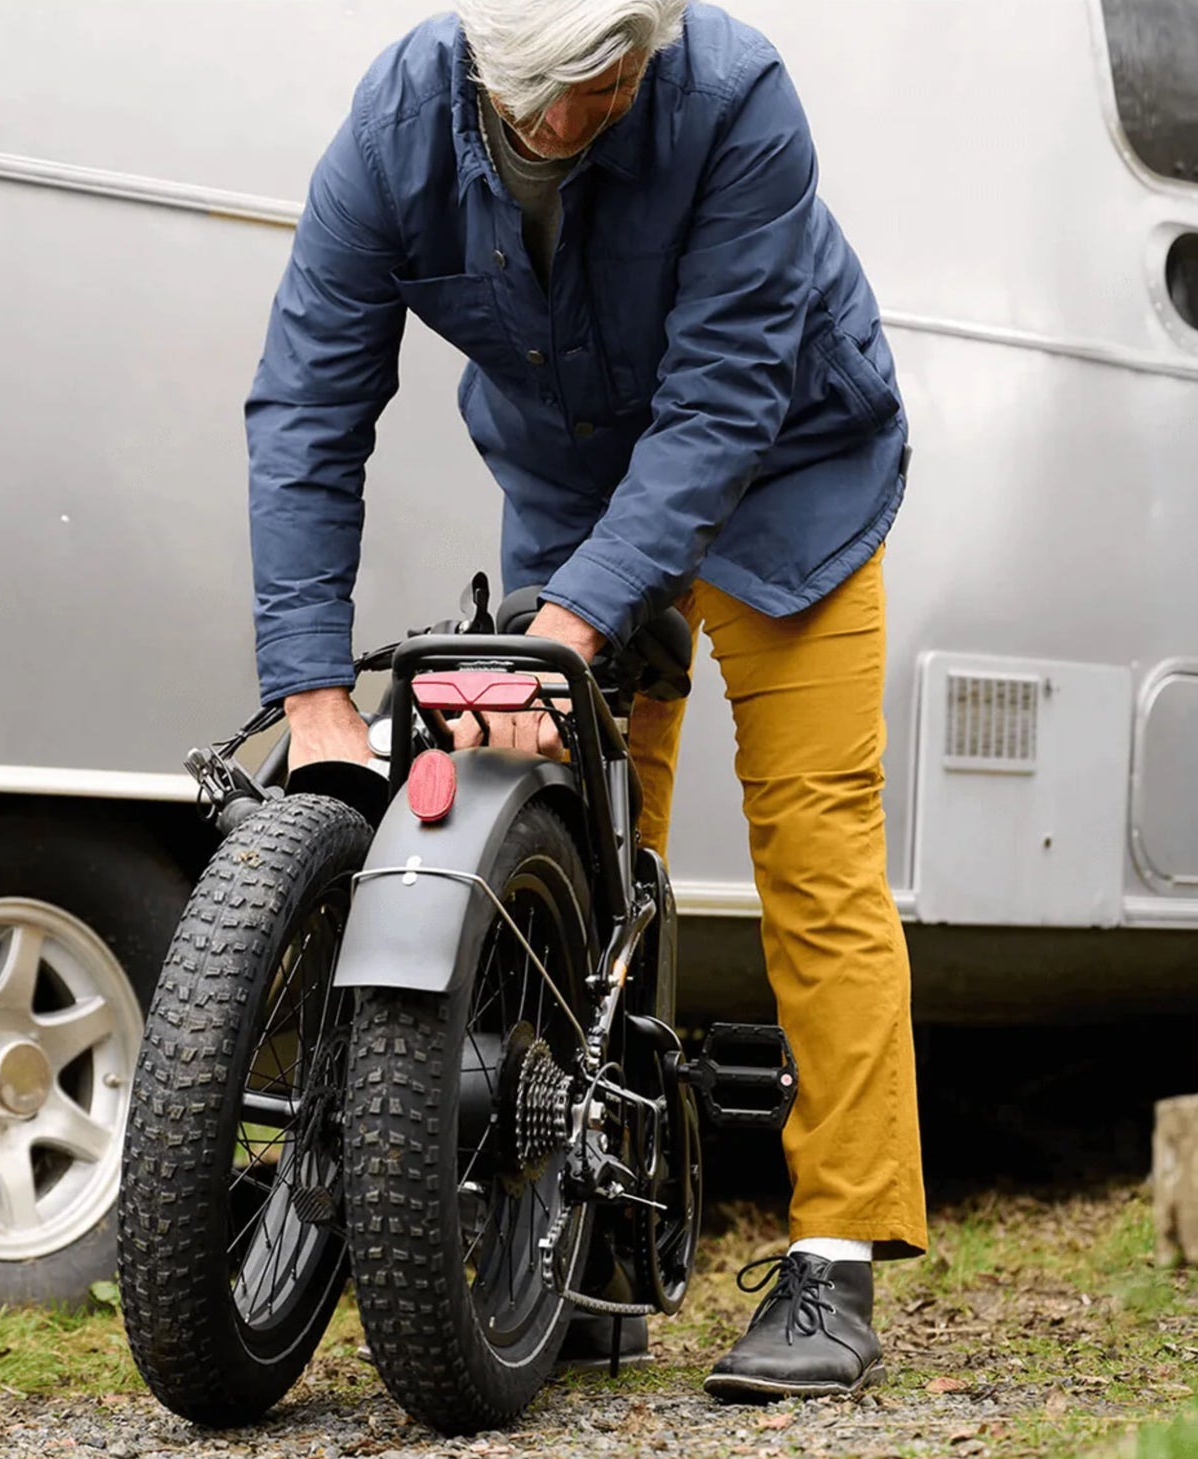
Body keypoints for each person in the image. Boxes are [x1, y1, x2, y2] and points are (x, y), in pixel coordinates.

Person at [245, 0, 927, 1400]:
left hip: (787, 475)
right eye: (535, 98)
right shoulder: (395, 124)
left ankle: (833, 1258)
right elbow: (308, 403)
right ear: (477, 65)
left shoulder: (734, 97)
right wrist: (309, 693)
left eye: (603, 89)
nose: (564, 124)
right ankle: (581, 1239)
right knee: (565, 849)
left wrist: (566, 625)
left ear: (648, 53)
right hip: (571, 486)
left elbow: (724, 400)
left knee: (814, 841)